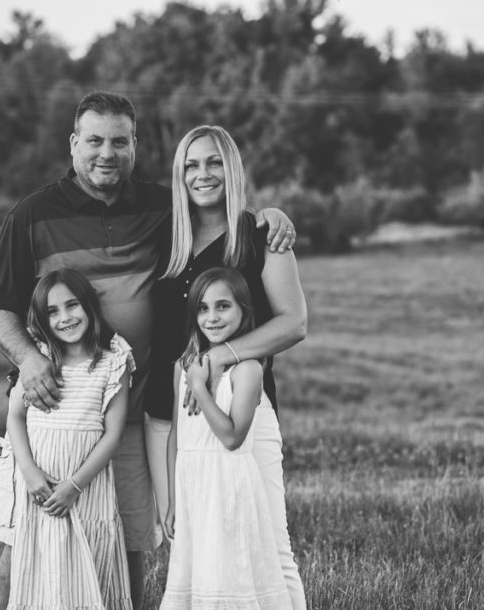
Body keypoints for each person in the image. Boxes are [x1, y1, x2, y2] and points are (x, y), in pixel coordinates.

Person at [0, 91, 296, 608]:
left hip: (133, 403)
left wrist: (269, 215)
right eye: (95, 140)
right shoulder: (31, 215)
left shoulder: (161, 207)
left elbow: (217, 205)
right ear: (73, 144)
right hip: (54, 406)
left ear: (134, 146)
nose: (107, 153)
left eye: (120, 141)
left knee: (126, 539)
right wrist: (30, 359)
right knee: (25, 541)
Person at [145, 125, 307, 608]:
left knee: (268, 545)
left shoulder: (260, 236)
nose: (203, 174)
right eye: (191, 165)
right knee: (190, 547)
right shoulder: (165, 236)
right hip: (169, 414)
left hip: (242, 411)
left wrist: (220, 355)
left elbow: (294, 322)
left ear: (231, 168)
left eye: (214, 162)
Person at [160, 268, 291, 609]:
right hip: (193, 484)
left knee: (230, 569)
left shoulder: (247, 369)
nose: (212, 317)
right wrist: (173, 499)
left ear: (243, 311)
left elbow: (232, 437)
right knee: (198, 568)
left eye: (223, 307)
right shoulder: (183, 365)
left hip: (228, 483)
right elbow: (177, 435)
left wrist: (200, 388)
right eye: (203, 309)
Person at [5, 269, 132, 609]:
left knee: (88, 570)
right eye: (52, 312)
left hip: (85, 490)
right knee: (43, 574)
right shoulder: (40, 359)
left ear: (89, 306)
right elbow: (15, 417)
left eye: (72, 305)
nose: (65, 318)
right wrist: (31, 475)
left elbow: (113, 434)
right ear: (42, 320)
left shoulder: (113, 361)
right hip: (40, 489)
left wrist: (73, 485)